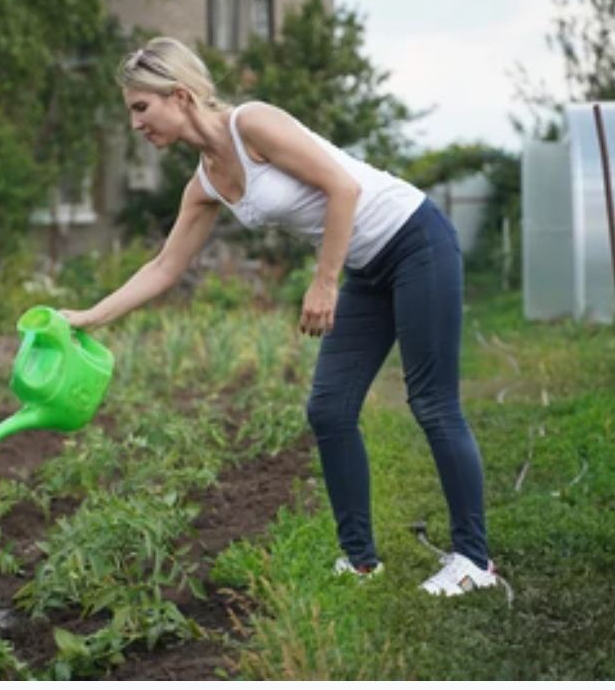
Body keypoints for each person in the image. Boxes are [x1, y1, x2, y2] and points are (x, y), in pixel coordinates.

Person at [59, 37, 496, 596]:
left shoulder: (253, 124)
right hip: (366, 267)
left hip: (414, 241)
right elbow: (165, 267)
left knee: (432, 402)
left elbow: (344, 187)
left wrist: (324, 281)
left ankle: (473, 562)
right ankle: (361, 561)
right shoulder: (206, 183)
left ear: (181, 95)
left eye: (140, 107)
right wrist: (89, 316)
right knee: (329, 409)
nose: (136, 124)